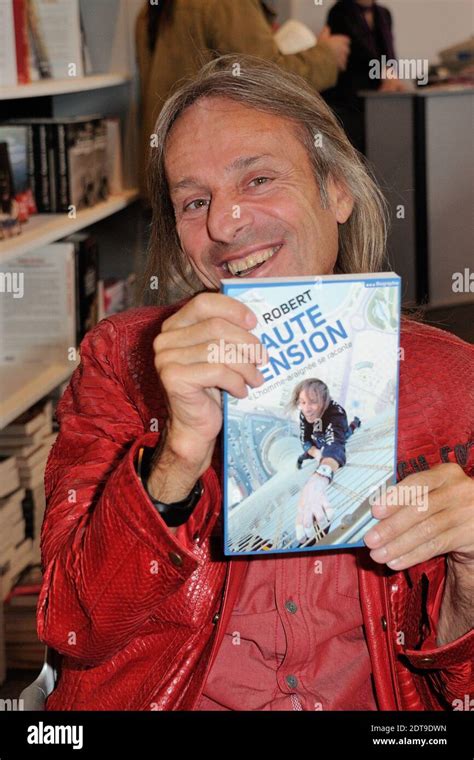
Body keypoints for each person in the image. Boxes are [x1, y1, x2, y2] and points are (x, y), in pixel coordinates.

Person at [38, 56, 473, 711]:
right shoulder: (125, 363)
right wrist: (177, 457)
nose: (223, 223)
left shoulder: (452, 382)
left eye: (259, 178)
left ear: (337, 191)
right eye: (193, 201)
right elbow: (76, 627)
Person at [135, 0, 351, 199]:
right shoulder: (227, 3)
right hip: (218, 174)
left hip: (171, 172)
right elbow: (265, 80)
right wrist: (327, 55)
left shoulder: (151, 11)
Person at [323, 0, 406, 152]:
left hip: (378, 97)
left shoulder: (384, 13)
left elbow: (388, 51)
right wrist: (386, 74)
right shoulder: (339, 11)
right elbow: (359, 53)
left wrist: (392, 77)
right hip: (349, 99)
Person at [289, 378, 359, 543]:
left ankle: (355, 423)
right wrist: (314, 453)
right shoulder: (304, 413)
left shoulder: (336, 413)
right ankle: (304, 459)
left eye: (313, 402)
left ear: (324, 401)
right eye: (302, 402)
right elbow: (304, 439)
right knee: (303, 455)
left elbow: (335, 446)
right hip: (317, 443)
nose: (306, 409)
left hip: (330, 440)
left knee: (346, 435)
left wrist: (320, 476)